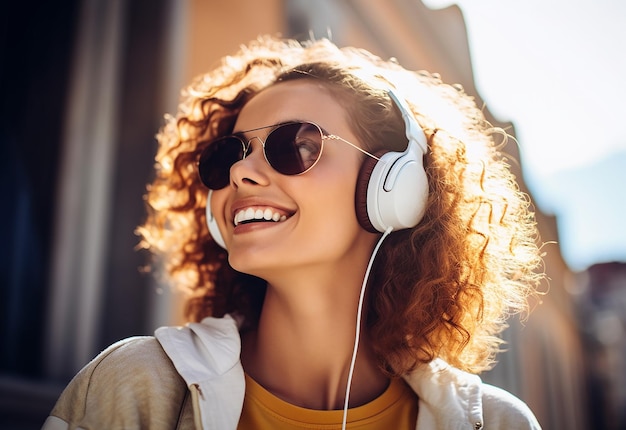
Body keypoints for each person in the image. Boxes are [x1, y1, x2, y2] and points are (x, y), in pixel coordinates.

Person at [43, 35, 545, 429]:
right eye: (228, 156)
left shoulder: (497, 423)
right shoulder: (138, 384)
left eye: (295, 146)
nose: (241, 174)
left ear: (395, 187)